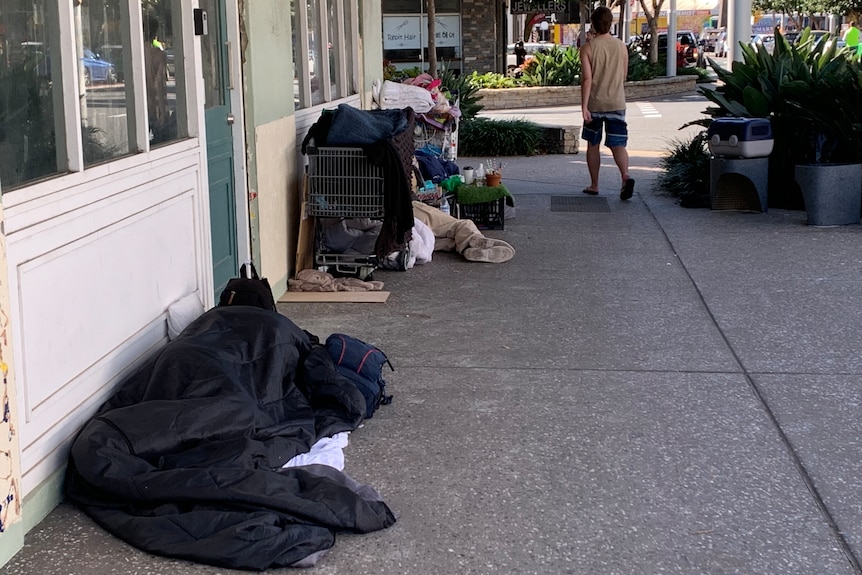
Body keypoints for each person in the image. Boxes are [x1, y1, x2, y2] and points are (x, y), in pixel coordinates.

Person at [579, 6, 635, 200]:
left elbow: (587, 79)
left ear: (593, 25)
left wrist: (584, 107)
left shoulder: (587, 48)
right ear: (610, 23)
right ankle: (625, 176)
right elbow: (624, 75)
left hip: (595, 104)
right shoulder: (621, 46)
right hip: (617, 102)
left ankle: (594, 185)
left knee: (593, 144)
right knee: (618, 143)